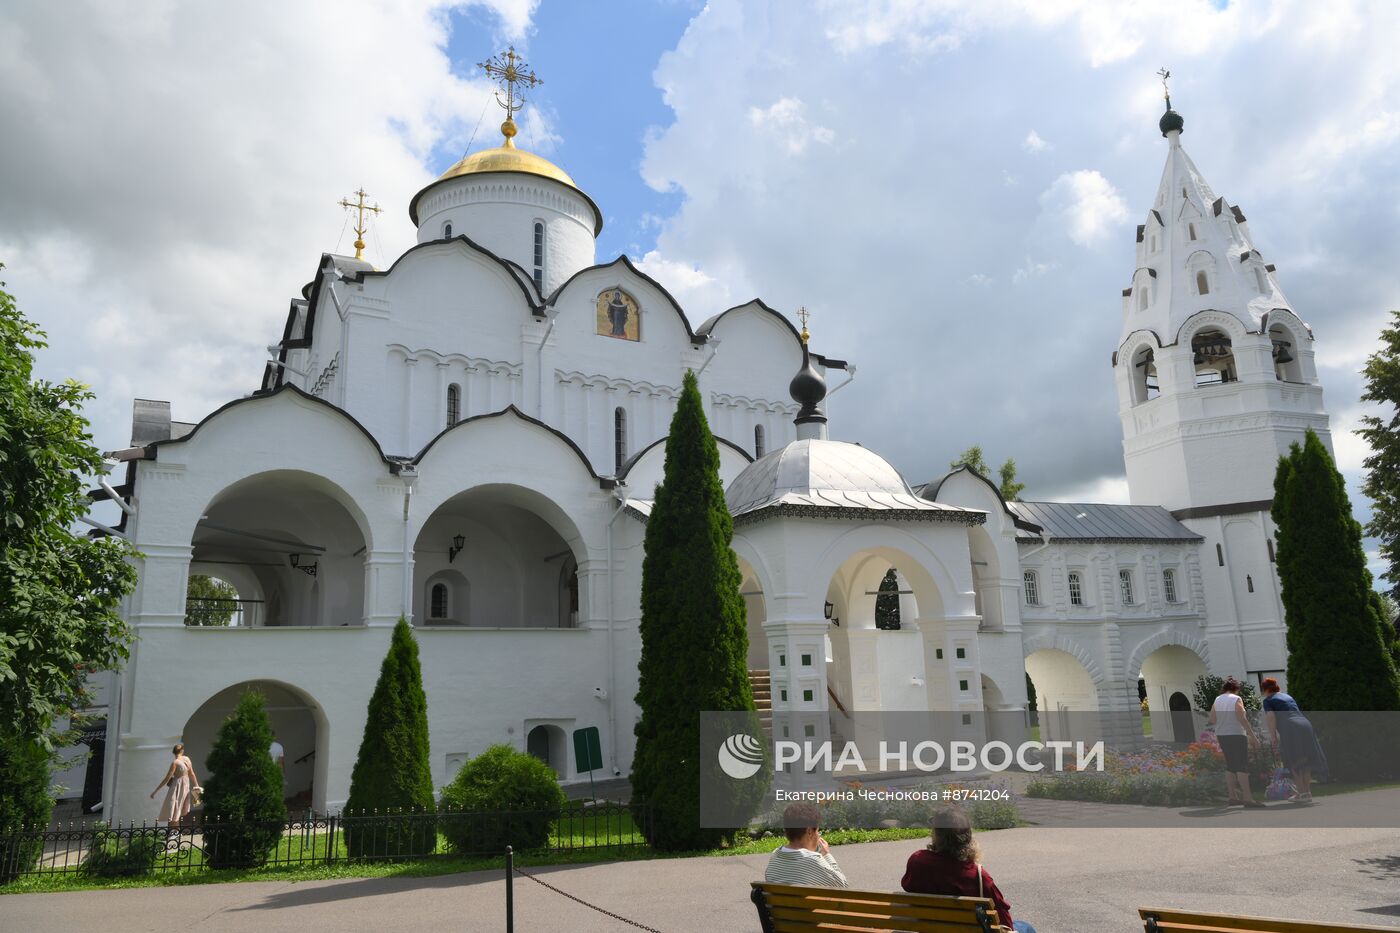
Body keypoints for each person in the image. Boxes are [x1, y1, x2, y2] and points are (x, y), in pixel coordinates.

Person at [902, 806, 1035, 933]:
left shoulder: (917, 861)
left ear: (936, 834)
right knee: (1026, 927)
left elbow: (907, 885)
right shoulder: (978, 876)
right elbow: (1005, 923)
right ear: (968, 838)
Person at [1261, 677, 1327, 803]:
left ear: (1265, 689)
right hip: (1305, 724)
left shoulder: (1268, 700)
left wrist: (1273, 736)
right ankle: (1307, 793)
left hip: (1290, 726)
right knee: (1305, 759)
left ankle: (1301, 794)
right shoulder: (1287, 697)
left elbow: (1270, 717)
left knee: (1294, 759)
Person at [763, 802, 848, 887]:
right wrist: (826, 855)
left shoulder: (775, 856)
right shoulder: (814, 860)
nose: (818, 835)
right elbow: (843, 885)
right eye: (818, 831)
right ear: (810, 832)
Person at [1208, 677, 1263, 807]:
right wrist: (1253, 736)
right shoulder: (1236, 699)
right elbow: (1241, 718)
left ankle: (1232, 796)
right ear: (1236, 689)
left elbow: (1212, 719)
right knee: (1242, 766)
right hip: (1236, 734)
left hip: (1222, 735)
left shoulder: (1217, 699)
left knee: (1230, 765)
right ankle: (1248, 798)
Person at [150, 743, 201, 827]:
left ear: (174, 752)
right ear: (182, 751)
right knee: (178, 808)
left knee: (174, 808)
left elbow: (167, 778)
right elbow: (192, 774)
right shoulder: (186, 759)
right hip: (185, 785)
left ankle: (174, 832)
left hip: (178, 786)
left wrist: (155, 791)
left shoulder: (175, 762)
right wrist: (197, 786)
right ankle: (175, 832)